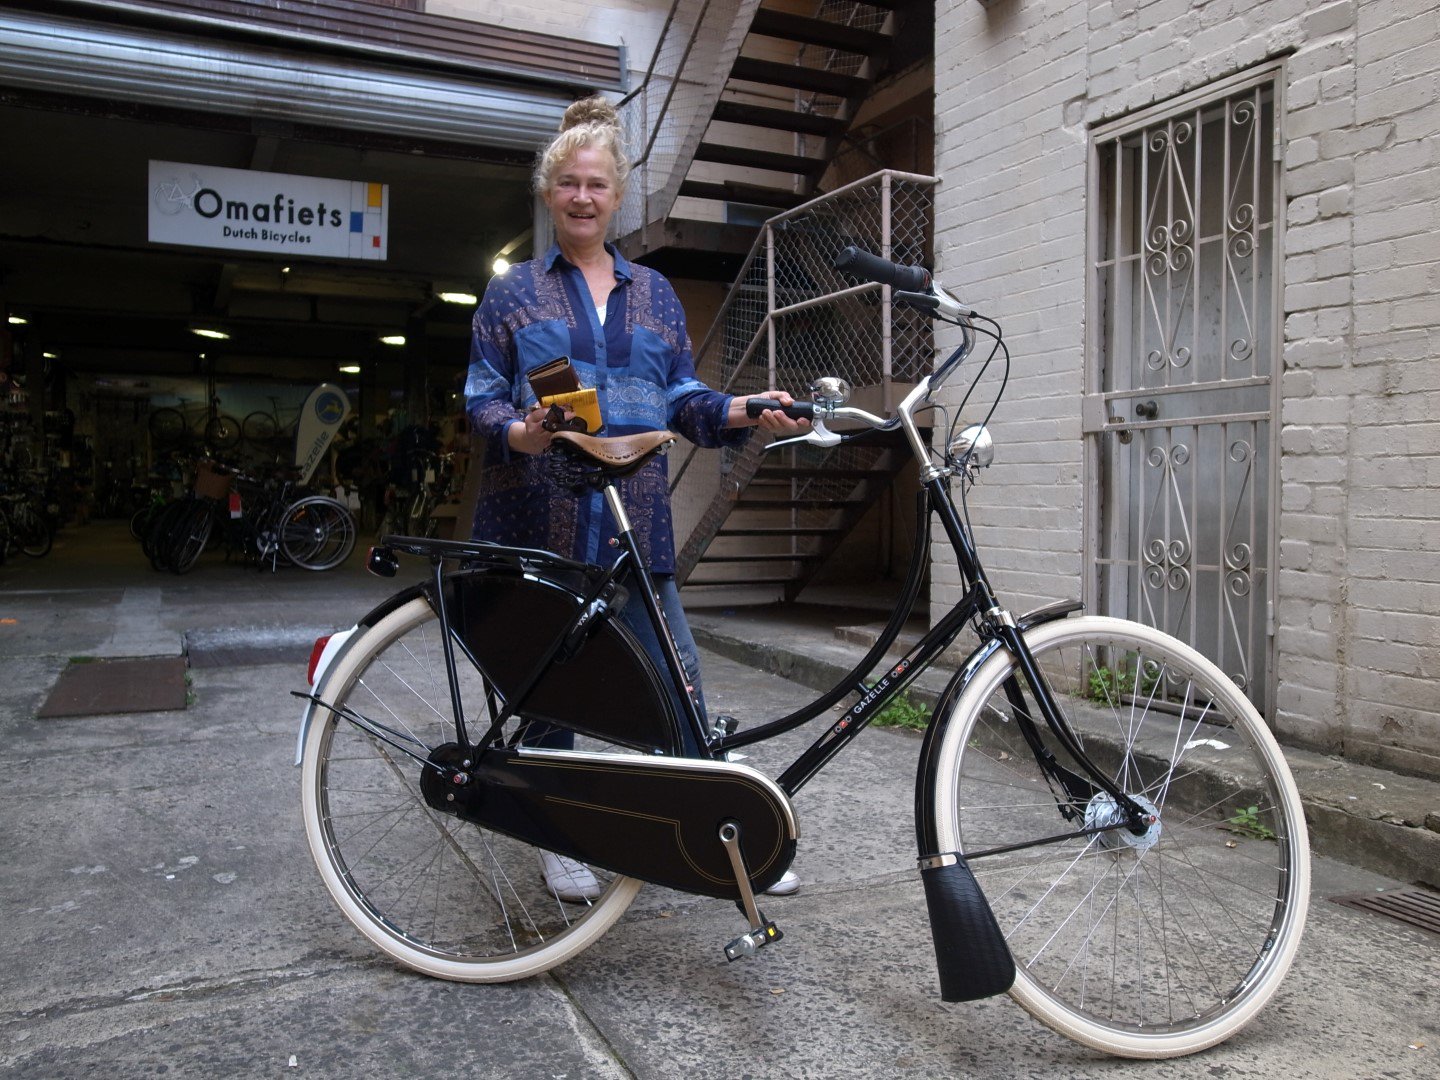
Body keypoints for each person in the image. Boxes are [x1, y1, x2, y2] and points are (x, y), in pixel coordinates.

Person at [465, 96, 808, 902]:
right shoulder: (512, 294)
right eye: (568, 185)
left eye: (597, 185)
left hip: (635, 527)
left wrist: (744, 408)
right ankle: (557, 833)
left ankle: (724, 841)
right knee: (550, 685)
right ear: (550, 193)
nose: (583, 198)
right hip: (538, 519)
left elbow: (684, 397)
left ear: (617, 198)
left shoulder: (654, 293)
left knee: (676, 682)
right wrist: (521, 432)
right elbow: (481, 398)